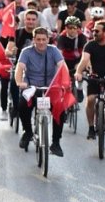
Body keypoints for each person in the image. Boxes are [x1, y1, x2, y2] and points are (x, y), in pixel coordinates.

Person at [15, 27, 67, 156]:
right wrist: (19, 82)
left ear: (48, 40)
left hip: (50, 88)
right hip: (32, 88)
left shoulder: (53, 50)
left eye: (44, 39)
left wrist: (65, 82)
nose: (41, 42)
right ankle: (27, 132)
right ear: (34, 40)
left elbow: (62, 66)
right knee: (22, 105)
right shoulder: (26, 52)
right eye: (38, 39)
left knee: (60, 110)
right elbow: (19, 68)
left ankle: (56, 142)